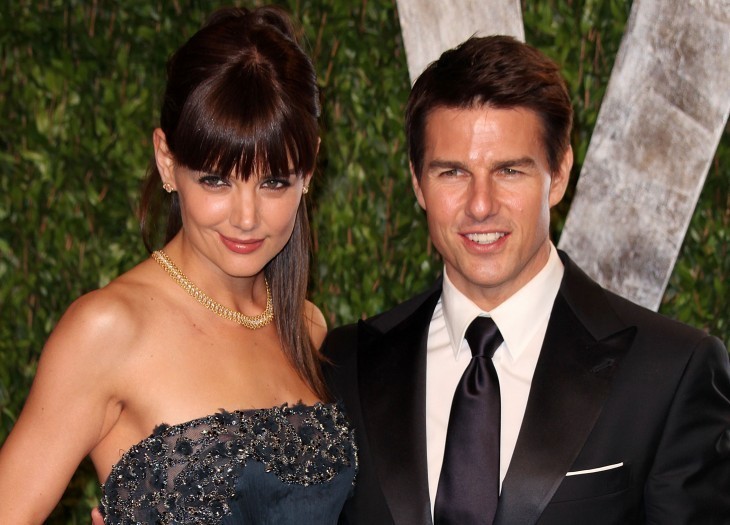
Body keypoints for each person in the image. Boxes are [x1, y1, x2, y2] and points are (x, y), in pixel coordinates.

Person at [323, 35, 730, 524]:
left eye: (509, 171)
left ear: (557, 175)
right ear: (417, 183)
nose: (480, 205)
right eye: (452, 172)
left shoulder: (670, 372)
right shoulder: (344, 366)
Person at [0, 6, 356, 524]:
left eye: (274, 181)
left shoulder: (305, 325)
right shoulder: (108, 331)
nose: (247, 217)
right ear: (168, 162)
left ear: (308, 171)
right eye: (216, 180)